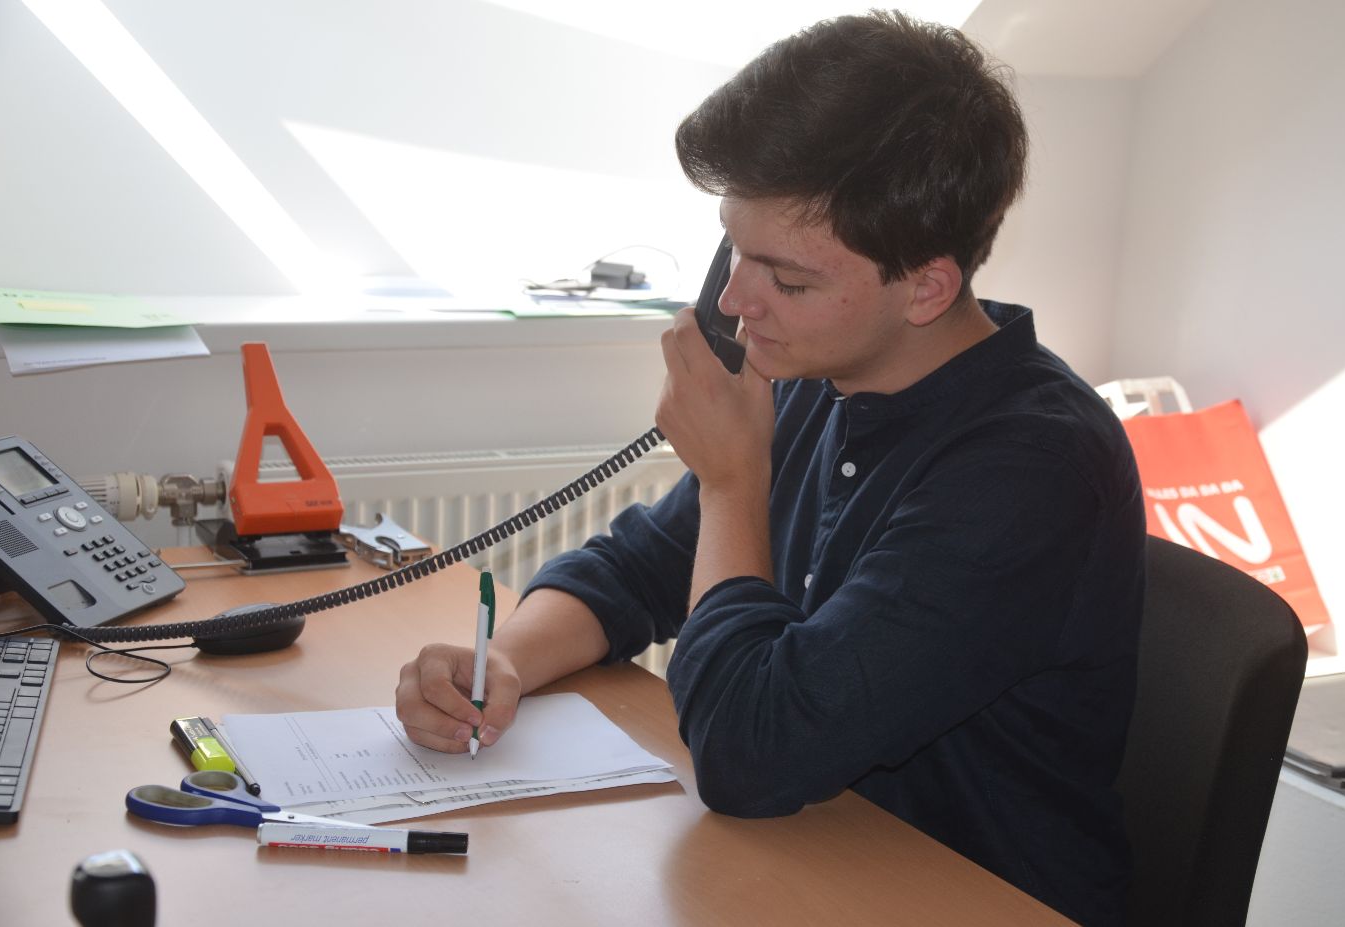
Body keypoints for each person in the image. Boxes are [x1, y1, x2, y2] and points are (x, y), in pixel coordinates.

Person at [396, 11, 1145, 926]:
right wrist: (502, 664)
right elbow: (633, 569)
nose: (730, 302)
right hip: (815, 864)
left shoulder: (1031, 467)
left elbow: (753, 753)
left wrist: (731, 481)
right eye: (734, 248)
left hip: (971, 893)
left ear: (928, 287)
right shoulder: (819, 373)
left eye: (785, 279)